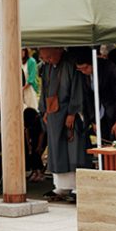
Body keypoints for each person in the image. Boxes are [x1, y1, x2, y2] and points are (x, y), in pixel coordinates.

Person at [38, 47, 85, 203]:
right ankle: (61, 185)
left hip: (68, 111)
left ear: (58, 51)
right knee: (56, 147)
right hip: (53, 113)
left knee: (73, 147)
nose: (47, 60)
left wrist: (72, 112)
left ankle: (76, 186)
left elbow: (77, 88)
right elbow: (44, 89)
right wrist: (45, 109)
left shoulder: (71, 64)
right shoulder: (47, 67)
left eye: (49, 57)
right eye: (44, 58)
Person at [72, 47, 116, 142]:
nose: (83, 71)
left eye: (85, 68)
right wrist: (93, 120)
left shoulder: (109, 68)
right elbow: (88, 97)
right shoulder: (84, 75)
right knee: (103, 142)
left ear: (92, 62)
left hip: (114, 111)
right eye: (80, 69)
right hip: (99, 114)